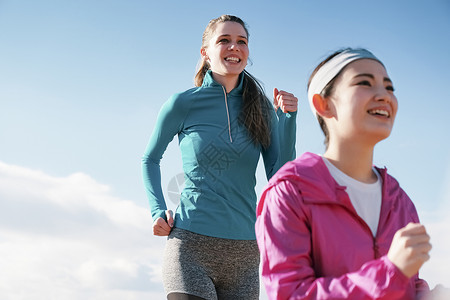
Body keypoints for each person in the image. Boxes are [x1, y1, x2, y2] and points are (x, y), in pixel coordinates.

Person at [255, 48, 448, 299]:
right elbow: (290, 293)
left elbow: (407, 285)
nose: (384, 95)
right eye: (365, 83)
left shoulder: (399, 201)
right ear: (323, 104)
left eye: (389, 88)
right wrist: (391, 272)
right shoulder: (290, 192)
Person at [141, 15, 298, 300]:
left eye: (241, 42)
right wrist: (157, 210)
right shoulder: (182, 104)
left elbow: (280, 175)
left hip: (246, 254)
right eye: (224, 40)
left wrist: (288, 120)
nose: (234, 47)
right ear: (206, 53)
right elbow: (150, 159)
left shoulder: (261, 108)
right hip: (190, 247)